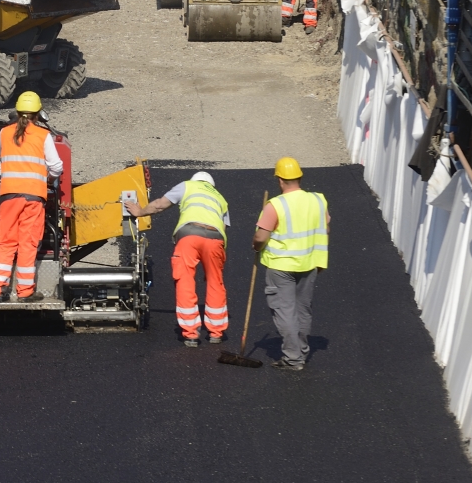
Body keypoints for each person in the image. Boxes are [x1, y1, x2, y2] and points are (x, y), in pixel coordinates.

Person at [124, 171, 231, 346]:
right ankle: (216, 332)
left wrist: (139, 211)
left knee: (185, 281)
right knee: (215, 282)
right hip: (215, 239)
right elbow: (223, 228)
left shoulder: (187, 186)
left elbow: (159, 205)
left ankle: (190, 334)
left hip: (189, 236)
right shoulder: (220, 198)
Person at [252, 157, 329, 371]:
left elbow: (260, 237)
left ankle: (293, 359)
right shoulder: (318, 200)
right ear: (300, 177)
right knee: (303, 310)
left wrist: (256, 247)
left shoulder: (275, 205)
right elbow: (326, 229)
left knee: (284, 310)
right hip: (309, 264)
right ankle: (301, 351)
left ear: (280, 180)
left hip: (281, 266)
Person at [0, 92, 63, 301]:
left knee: (5, 242)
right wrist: (48, 180)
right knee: (28, 243)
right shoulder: (42, 135)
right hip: (33, 197)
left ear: (17, 112)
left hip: (9, 196)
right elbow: (57, 166)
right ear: (38, 114)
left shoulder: (4, 132)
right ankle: (25, 292)